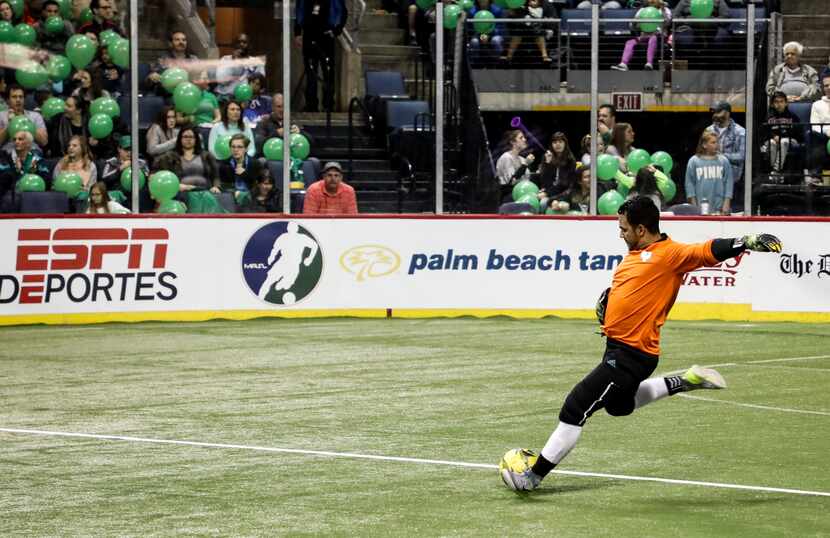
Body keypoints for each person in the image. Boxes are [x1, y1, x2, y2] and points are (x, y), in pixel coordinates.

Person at [500, 196, 783, 492]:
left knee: (576, 407)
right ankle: (684, 381)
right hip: (618, 349)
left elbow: (706, 250)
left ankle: (532, 476)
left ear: (641, 229)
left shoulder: (669, 254)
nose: (620, 233)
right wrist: (608, 312)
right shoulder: (634, 255)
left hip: (630, 355)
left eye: (624, 228)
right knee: (619, 407)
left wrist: (746, 240)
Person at [294, 0, 347, 112]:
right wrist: (297, 32)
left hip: (326, 37)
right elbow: (299, 10)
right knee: (311, 72)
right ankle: (311, 105)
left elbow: (343, 11)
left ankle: (328, 105)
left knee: (328, 72)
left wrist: (337, 30)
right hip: (309, 35)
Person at [611, 0, 671, 72]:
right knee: (630, 42)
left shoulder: (665, 10)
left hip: (659, 37)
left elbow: (667, 22)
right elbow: (632, 25)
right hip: (644, 35)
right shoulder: (642, 10)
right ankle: (623, 64)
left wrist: (663, 9)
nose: (652, 1)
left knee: (653, 38)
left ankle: (649, 63)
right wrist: (635, 23)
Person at [704, 101, 745, 201]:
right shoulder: (709, 130)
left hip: (731, 179)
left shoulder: (740, 131)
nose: (714, 115)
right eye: (713, 112)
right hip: (711, 177)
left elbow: (742, 156)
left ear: (727, 113)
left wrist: (722, 156)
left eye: (717, 112)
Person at [684, 131, 733, 215]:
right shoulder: (694, 161)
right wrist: (694, 206)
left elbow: (728, 183)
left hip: (719, 209)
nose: (716, 145)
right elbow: (689, 184)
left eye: (717, 142)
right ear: (704, 145)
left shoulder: (724, 161)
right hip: (700, 208)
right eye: (713, 142)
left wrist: (726, 203)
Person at [145, 30, 200, 95]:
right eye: (177, 40)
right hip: (168, 94)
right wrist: (151, 77)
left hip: (189, 93)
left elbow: (201, 77)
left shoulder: (193, 59)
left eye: (184, 40)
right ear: (170, 43)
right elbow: (149, 78)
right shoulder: (163, 59)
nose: (181, 42)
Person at [215, 33, 266, 102]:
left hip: (247, 99)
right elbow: (222, 81)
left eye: (244, 42)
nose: (241, 44)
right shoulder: (225, 59)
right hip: (226, 98)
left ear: (249, 45)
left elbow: (260, 84)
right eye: (238, 42)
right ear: (234, 45)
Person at [762, 91, 801, 178]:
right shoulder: (768, 117)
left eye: (781, 101)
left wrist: (783, 136)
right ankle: (773, 169)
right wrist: (773, 136)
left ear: (786, 103)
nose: (779, 104)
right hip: (774, 140)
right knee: (771, 143)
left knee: (783, 141)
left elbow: (797, 133)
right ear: (772, 104)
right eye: (776, 102)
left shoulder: (792, 116)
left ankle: (776, 170)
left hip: (790, 140)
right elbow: (765, 132)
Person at [172, 126, 220, 193]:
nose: (188, 139)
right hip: (182, 193)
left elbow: (216, 175)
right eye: (185, 137)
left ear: (196, 139)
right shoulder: (172, 156)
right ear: (180, 139)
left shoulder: (207, 155)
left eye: (191, 137)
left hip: (205, 192)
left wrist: (216, 187)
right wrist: (176, 186)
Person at [0, 85, 49, 151]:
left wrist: (29, 124)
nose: (18, 100)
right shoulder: (1, 116)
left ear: (24, 99)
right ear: (8, 100)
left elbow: (44, 142)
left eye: (21, 97)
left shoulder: (35, 116)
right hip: (9, 152)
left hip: (32, 150)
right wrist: (10, 125)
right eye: (14, 97)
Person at [218, 133, 262, 204]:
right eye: (233, 147)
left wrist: (244, 174)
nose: (236, 150)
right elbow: (224, 186)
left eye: (239, 147)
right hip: (230, 197)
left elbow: (259, 186)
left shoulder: (255, 164)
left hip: (250, 197)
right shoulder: (224, 165)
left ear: (246, 149)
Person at [537, 131, 576, 207]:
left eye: (560, 142)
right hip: (548, 191)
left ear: (565, 144)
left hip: (563, 193)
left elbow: (564, 183)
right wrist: (548, 164)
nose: (557, 144)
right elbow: (544, 182)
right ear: (551, 145)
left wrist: (547, 193)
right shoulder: (547, 157)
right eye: (554, 142)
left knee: (543, 203)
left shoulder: (570, 160)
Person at [496, 129, 536, 201]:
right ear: (512, 142)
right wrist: (525, 164)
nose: (525, 139)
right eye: (521, 138)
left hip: (524, 196)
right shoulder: (506, 157)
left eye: (524, 137)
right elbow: (512, 181)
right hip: (510, 198)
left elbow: (527, 180)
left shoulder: (522, 159)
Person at [807, 75, 830, 185]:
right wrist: (827, 132)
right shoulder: (817, 105)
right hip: (823, 135)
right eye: (826, 85)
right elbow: (814, 125)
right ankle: (816, 176)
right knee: (815, 136)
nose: (829, 87)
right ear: (823, 88)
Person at [467, 0, 504, 64]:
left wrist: (489, 34)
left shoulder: (497, 10)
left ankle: (496, 62)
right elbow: (470, 28)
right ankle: (475, 64)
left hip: (494, 34)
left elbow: (500, 26)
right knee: (474, 42)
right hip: (478, 34)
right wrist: (481, 35)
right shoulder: (472, 12)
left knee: (496, 40)